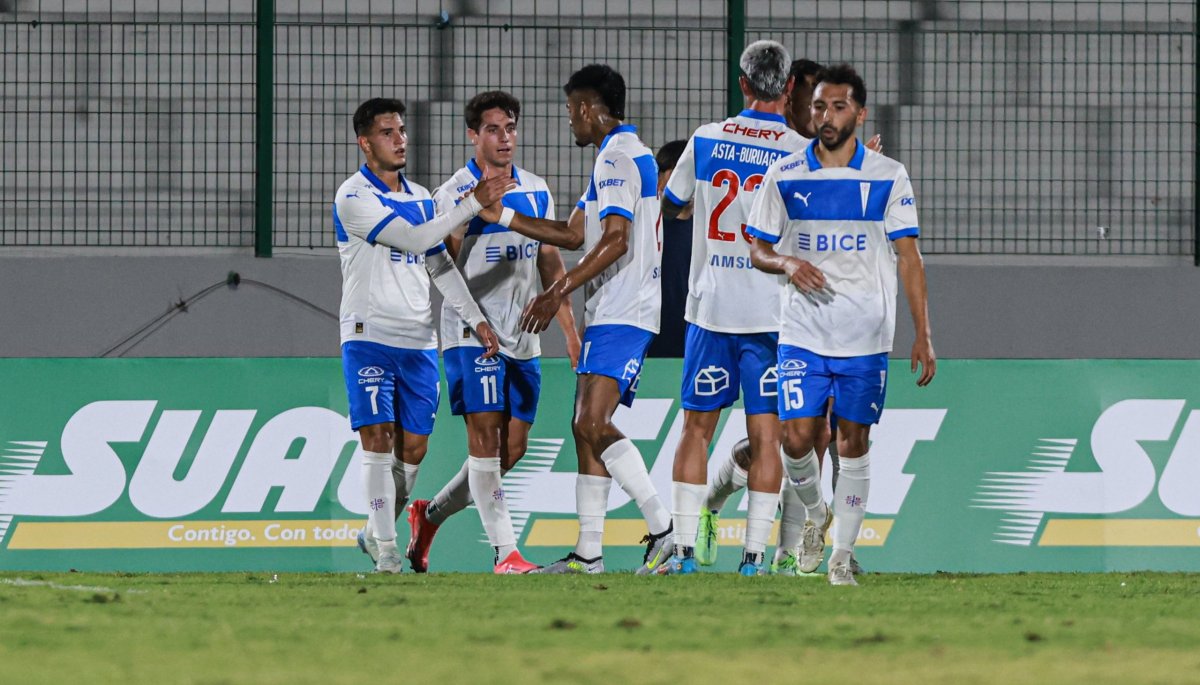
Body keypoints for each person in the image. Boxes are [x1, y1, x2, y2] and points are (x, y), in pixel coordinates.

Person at [745, 64, 936, 585]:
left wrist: (923, 332)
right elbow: (758, 246)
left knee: (854, 442)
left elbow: (909, 257)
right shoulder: (784, 174)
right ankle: (814, 514)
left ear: (859, 112)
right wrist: (786, 262)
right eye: (817, 107)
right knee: (797, 438)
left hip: (866, 335)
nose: (824, 117)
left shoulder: (888, 176)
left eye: (836, 107)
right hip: (803, 331)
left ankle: (841, 557)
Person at [701, 57, 883, 576]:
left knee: (818, 435)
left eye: (821, 103)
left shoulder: (840, 160)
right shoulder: (785, 161)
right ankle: (713, 503)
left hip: (832, 324)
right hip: (773, 316)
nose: (810, 111)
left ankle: (793, 546)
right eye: (806, 101)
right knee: (781, 440)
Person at [493, 64, 671, 574]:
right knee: (582, 429)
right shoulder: (617, 157)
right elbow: (573, 236)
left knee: (593, 422)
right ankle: (589, 553)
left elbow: (617, 240)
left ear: (592, 108)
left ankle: (664, 528)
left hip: (625, 310)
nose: (570, 120)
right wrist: (502, 216)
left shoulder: (617, 157)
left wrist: (557, 290)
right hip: (612, 310)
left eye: (573, 110)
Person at [402, 90, 581, 574]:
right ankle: (506, 555)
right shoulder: (454, 192)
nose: (505, 139)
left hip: (523, 336)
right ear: (473, 135)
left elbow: (548, 258)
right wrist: (466, 213)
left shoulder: (535, 188)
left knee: (511, 450)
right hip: (471, 333)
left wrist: (568, 328)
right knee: (483, 440)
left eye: (511, 128)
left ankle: (430, 515)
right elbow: (442, 261)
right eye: (494, 130)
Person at [334, 97, 513, 573]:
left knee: (412, 452)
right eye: (388, 132)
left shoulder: (419, 198)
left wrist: (475, 317)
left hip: (417, 340)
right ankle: (388, 552)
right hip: (368, 333)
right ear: (365, 142)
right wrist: (475, 202)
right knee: (377, 436)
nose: (400, 140)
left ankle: (374, 531)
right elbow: (415, 240)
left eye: (402, 131)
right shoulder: (353, 196)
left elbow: (436, 261)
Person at [658, 40, 808, 576]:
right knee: (769, 436)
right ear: (788, 88)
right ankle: (753, 559)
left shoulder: (706, 138)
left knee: (696, 429)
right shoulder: (798, 153)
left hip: (712, 309)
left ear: (741, 84)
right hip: (771, 317)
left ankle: (680, 554)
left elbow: (672, 204)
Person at [646, 140, 692, 359]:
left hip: (693, 338)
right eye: (678, 174)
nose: (686, 183)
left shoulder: (709, 231)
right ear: (659, 179)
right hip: (651, 338)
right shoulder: (646, 228)